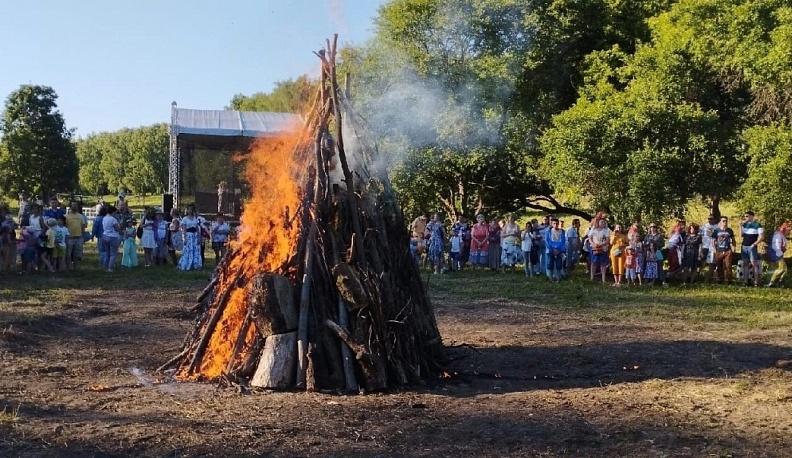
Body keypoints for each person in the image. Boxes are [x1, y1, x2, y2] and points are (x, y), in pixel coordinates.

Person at [706, 216, 736, 284]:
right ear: (720, 222)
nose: (725, 222)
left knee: (728, 265)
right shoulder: (716, 230)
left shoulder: (729, 230)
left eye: (726, 221)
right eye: (723, 221)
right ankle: (720, 279)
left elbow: (733, 239)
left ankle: (729, 280)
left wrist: (734, 247)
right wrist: (714, 249)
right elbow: (713, 240)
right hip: (719, 250)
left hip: (727, 250)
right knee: (719, 265)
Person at [740, 211, 763, 287]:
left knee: (754, 264)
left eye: (747, 216)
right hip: (744, 246)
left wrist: (755, 244)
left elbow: (761, 236)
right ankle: (746, 281)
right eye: (745, 216)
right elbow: (741, 235)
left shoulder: (757, 225)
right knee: (745, 263)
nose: (745, 218)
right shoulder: (745, 224)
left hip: (752, 246)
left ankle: (756, 281)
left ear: (752, 216)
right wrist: (740, 226)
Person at [178, 204, 203, 271]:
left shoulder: (195, 218)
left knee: (195, 250)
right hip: (188, 235)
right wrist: (185, 238)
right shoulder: (185, 219)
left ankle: (195, 265)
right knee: (188, 250)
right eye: (189, 209)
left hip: (194, 235)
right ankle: (186, 264)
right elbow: (184, 229)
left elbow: (197, 228)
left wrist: (198, 237)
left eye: (191, 209)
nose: (190, 211)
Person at [766, 221, 789, 287]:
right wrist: (779, 254)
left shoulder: (781, 235)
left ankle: (778, 282)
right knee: (782, 268)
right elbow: (776, 245)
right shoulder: (778, 235)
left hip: (777, 253)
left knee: (781, 269)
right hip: (776, 253)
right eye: (786, 227)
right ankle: (772, 282)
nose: (788, 230)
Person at [64, 201, 86, 271]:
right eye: (73, 205)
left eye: (76, 205)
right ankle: (69, 267)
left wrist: (82, 235)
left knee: (77, 254)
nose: (74, 207)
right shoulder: (66, 216)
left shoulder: (80, 216)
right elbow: (65, 226)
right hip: (69, 238)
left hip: (79, 238)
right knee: (68, 254)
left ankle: (76, 268)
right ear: (70, 207)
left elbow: (83, 226)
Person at [589, 217, 611, 283]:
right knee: (593, 263)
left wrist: (601, 244)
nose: (603, 223)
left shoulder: (606, 230)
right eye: (601, 222)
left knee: (603, 263)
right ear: (598, 222)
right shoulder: (593, 229)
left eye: (604, 222)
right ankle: (592, 277)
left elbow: (607, 240)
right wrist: (593, 244)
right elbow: (590, 238)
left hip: (603, 248)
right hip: (594, 248)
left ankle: (603, 278)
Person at [101, 205, 122, 272]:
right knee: (113, 254)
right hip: (113, 236)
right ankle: (110, 267)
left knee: (107, 253)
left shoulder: (104, 218)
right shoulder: (113, 219)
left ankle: (105, 266)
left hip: (105, 235)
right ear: (112, 212)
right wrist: (120, 228)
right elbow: (117, 229)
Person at [545, 217, 567, 282]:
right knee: (550, 264)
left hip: (559, 251)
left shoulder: (562, 232)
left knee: (559, 265)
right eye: (554, 223)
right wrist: (552, 249)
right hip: (551, 250)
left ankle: (558, 278)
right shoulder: (548, 232)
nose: (556, 225)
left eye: (557, 223)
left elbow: (563, 242)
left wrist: (559, 250)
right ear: (552, 224)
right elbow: (547, 241)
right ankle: (550, 278)